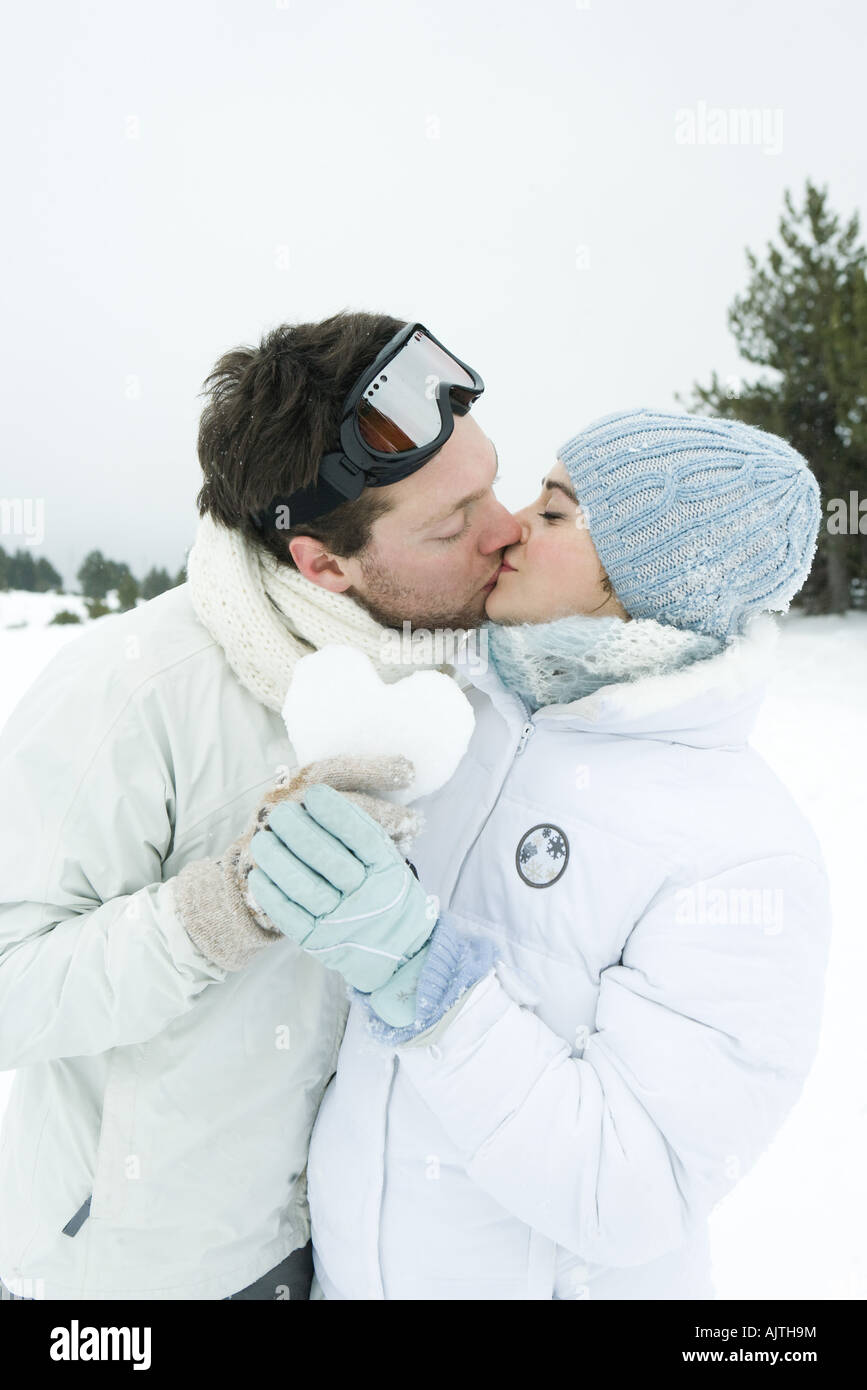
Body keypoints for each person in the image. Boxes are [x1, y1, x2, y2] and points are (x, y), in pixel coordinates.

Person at [0, 313, 520, 1300]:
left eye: (491, 483)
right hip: (138, 1282)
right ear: (323, 564)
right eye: (454, 524)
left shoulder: (461, 685)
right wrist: (217, 916)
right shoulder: (136, 690)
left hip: (348, 1259)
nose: (504, 532)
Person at [287, 408, 833, 1299]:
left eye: (551, 512)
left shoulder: (742, 852)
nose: (507, 529)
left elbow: (633, 1191)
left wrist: (426, 981)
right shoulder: (460, 722)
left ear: (640, 576)